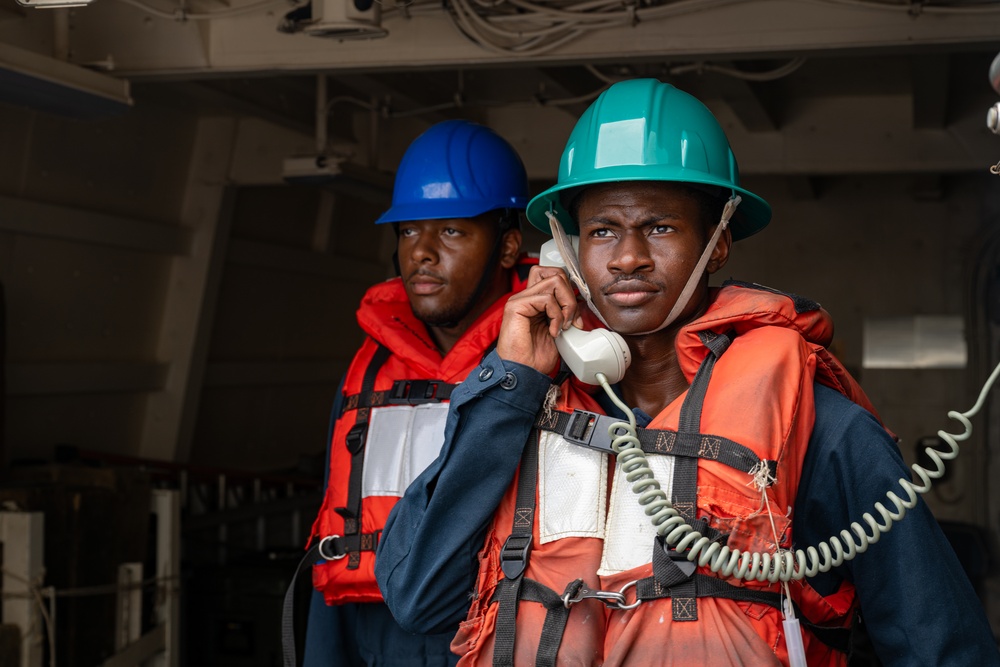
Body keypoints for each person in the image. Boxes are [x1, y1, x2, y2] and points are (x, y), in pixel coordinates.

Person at [375, 79, 1000, 666]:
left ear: (718, 243)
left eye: (660, 227)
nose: (628, 257)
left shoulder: (819, 428)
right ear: (565, 250)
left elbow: (939, 643)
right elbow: (420, 599)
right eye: (601, 230)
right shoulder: (517, 413)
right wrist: (510, 386)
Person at [300, 119, 532, 667]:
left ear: (507, 247)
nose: (422, 252)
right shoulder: (369, 365)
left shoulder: (548, 363)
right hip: (366, 625)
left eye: (451, 231)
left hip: (493, 629)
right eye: (408, 230)